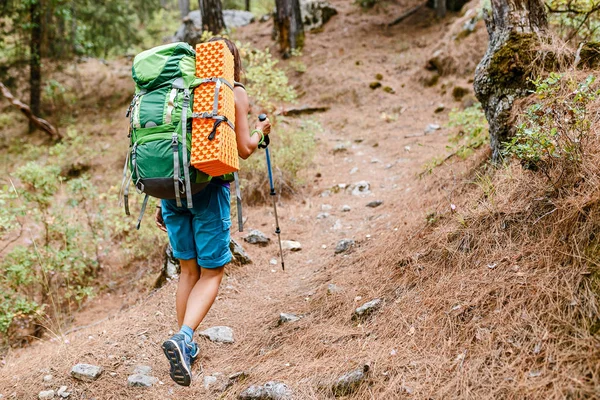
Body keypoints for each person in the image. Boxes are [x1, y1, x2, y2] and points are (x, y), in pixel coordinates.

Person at [155, 37, 271, 387]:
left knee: (187, 272)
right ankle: (185, 338)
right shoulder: (233, 91)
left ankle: (183, 344)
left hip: (171, 188)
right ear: (231, 61)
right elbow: (245, 149)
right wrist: (262, 132)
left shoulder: (182, 87)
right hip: (209, 188)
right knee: (212, 272)